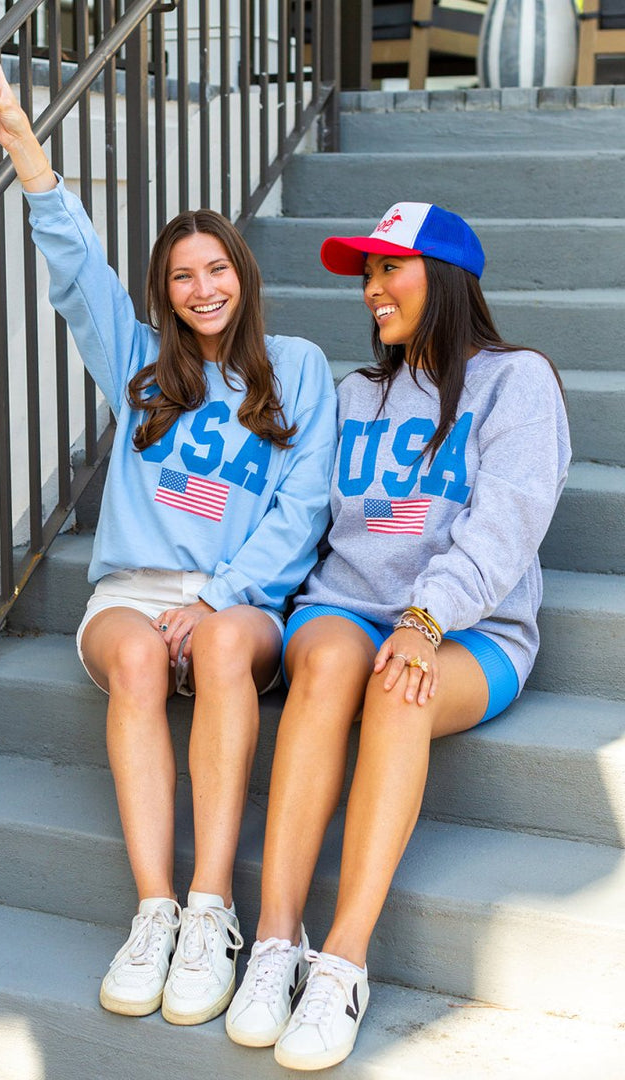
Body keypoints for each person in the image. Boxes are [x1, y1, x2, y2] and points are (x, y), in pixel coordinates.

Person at [0, 42, 337, 1027]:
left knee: (221, 645)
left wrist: (218, 597)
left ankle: (212, 910)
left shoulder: (297, 368)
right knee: (134, 660)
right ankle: (155, 911)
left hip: (238, 599)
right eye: (181, 278)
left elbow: (301, 508)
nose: (202, 289)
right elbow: (78, 270)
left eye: (217, 269)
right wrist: (27, 151)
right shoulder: (142, 369)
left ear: (242, 273)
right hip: (132, 595)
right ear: (165, 294)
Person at [225, 202, 571, 1069]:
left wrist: (424, 618)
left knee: (399, 687)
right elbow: (298, 512)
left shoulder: (516, 380)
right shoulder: (354, 394)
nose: (372, 289)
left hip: (474, 628)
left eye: (390, 269)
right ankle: (274, 942)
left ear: (444, 277)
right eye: (367, 274)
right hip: (346, 607)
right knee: (329, 661)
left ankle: (342, 962)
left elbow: (507, 522)